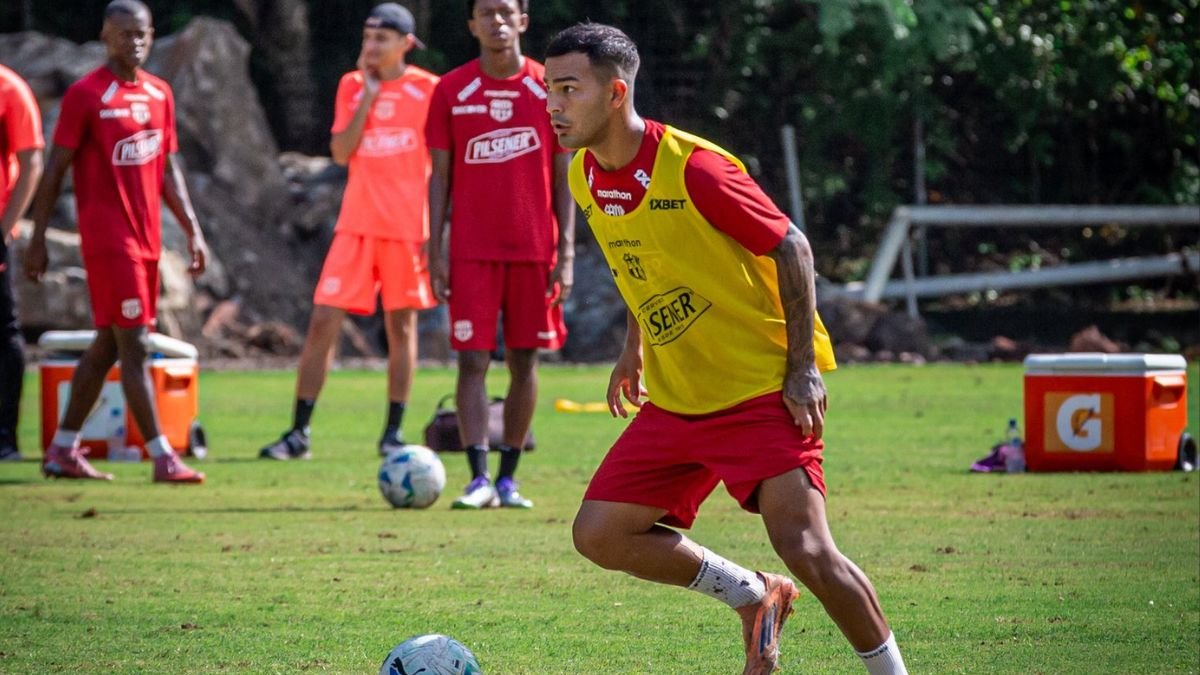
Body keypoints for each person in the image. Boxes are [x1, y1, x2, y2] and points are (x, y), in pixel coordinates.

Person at [545, 23, 910, 675]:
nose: (553, 104)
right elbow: (641, 266)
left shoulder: (696, 168)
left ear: (615, 92)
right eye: (550, 89)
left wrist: (801, 369)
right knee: (599, 532)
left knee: (808, 548)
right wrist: (635, 347)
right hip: (680, 397)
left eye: (569, 89)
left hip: (759, 390)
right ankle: (753, 594)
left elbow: (792, 247)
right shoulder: (583, 176)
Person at [24, 0, 209, 483]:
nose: (137, 43)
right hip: (110, 241)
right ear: (106, 35)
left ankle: (62, 448)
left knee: (107, 344)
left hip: (149, 241)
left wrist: (192, 229)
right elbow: (54, 171)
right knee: (137, 344)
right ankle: (162, 456)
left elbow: (169, 167)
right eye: (126, 34)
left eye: (143, 34)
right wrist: (38, 238)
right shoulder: (87, 95)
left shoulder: (159, 94)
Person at [258, 3, 438, 461]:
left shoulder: (430, 90)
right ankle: (298, 433)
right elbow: (341, 151)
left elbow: (444, 162)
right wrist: (371, 97)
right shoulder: (352, 86)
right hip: (356, 225)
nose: (371, 45)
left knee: (401, 327)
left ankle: (392, 435)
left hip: (406, 228)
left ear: (406, 44)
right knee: (323, 322)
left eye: (382, 38)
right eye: (367, 36)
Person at [426, 0, 575, 509]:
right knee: (471, 360)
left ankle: (510, 479)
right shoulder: (450, 90)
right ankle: (478, 479)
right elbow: (439, 178)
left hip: (535, 250)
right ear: (471, 25)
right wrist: (435, 249)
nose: (497, 21)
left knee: (524, 360)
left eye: (506, 11)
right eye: (486, 13)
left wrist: (567, 252)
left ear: (523, 21)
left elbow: (564, 175)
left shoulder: (548, 87)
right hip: (470, 252)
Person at [0, 64, 44, 462]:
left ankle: (5, 437)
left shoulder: (9, 88)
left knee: (3, 332)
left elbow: (32, 162)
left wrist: (3, 230)